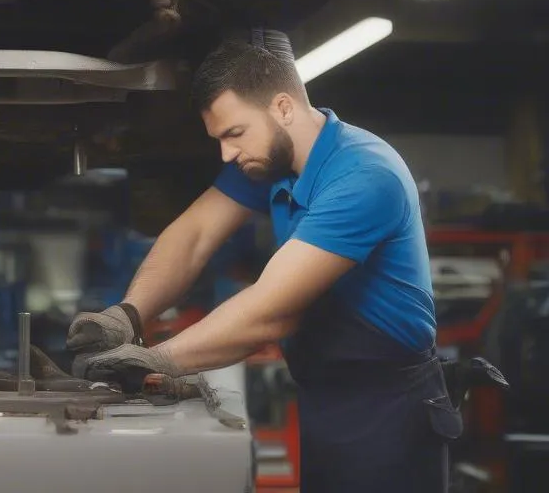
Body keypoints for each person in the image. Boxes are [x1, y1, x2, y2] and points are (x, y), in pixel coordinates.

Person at [69, 31, 460, 493]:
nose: (226, 153)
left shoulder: (364, 177)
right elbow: (193, 235)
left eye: (234, 134)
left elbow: (269, 312)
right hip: (324, 396)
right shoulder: (272, 159)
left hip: (390, 412)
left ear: (283, 108)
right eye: (218, 138)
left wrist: (155, 359)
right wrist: (127, 313)